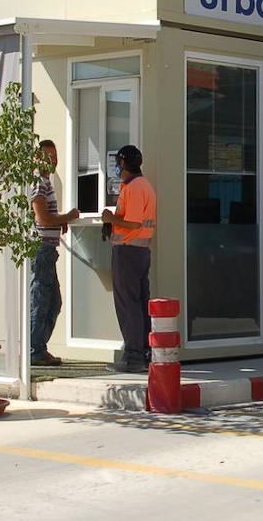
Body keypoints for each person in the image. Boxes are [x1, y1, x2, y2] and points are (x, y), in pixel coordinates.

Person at [101, 144, 157, 374]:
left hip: (128, 251)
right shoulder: (145, 186)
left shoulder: (134, 188)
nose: (117, 167)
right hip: (140, 252)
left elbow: (133, 223)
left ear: (123, 164)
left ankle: (133, 355)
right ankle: (144, 351)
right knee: (141, 303)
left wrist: (110, 218)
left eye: (118, 163)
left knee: (128, 304)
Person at [30, 140, 79, 367]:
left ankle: (39, 347)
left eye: (55, 155)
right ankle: (35, 350)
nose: (54, 160)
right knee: (41, 300)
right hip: (41, 249)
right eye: (48, 156)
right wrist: (67, 217)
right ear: (38, 158)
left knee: (54, 301)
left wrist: (61, 222)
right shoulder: (39, 183)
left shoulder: (47, 182)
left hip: (49, 249)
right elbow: (42, 219)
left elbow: (49, 218)